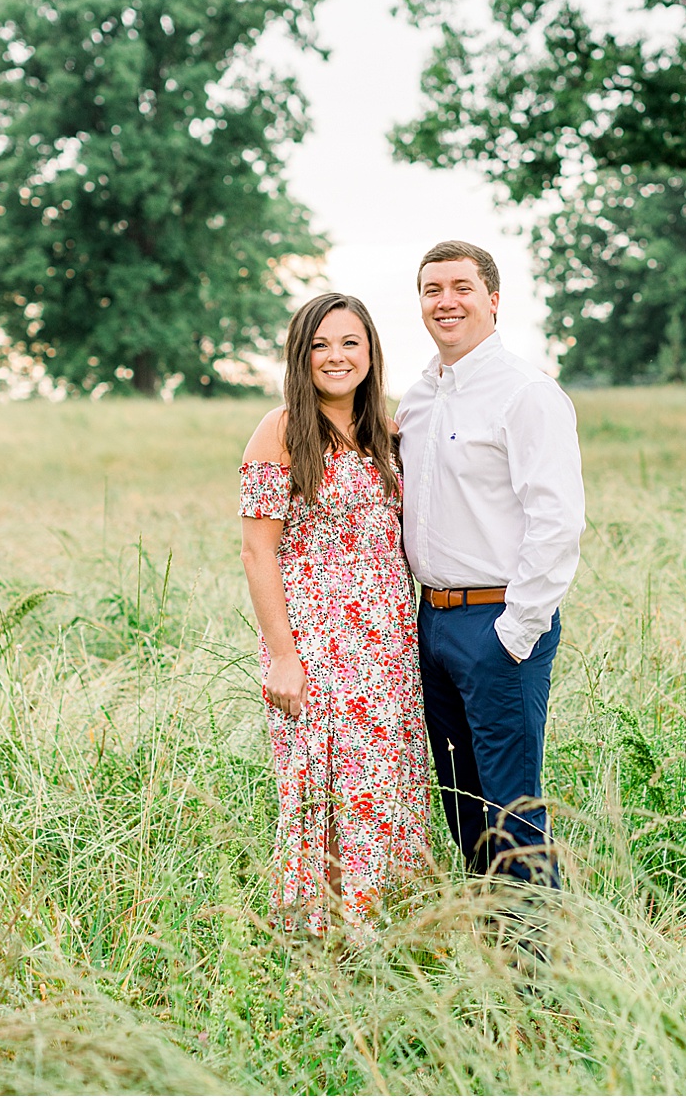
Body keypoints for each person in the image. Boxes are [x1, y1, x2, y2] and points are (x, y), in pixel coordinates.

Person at [238, 292, 431, 941]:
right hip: (316, 647)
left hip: (390, 647)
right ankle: (319, 940)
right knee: (324, 790)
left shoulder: (387, 433)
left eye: (350, 342)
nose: (336, 356)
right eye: (320, 344)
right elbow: (257, 551)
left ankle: (388, 931)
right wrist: (283, 655)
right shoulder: (281, 430)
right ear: (301, 356)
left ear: (370, 351)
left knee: (389, 782)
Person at [396, 240, 585, 888]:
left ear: (494, 300)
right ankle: (490, 927)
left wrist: (515, 631)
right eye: (432, 290)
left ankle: (537, 941)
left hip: (497, 623)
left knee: (512, 808)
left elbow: (557, 520)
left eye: (462, 288)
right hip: (431, 623)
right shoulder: (418, 398)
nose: (445, 301)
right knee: (462, 802)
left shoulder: (526, 394)